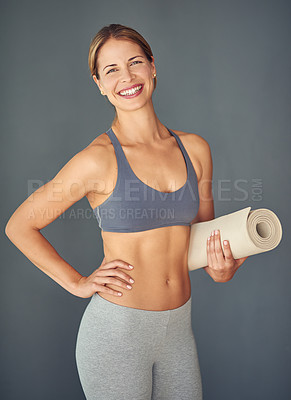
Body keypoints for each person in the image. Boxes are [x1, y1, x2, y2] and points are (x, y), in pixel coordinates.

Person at [5, 24, 248, 400]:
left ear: (153, 66)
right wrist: (76, 282)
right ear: (99, 84)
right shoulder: (98, 159)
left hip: (179, 331)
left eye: (135, 62)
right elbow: (20, 225)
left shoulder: (195, 150)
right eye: (112, 70)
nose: (127, 77)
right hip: (117, 334)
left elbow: (204, 239)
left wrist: (223, 268)